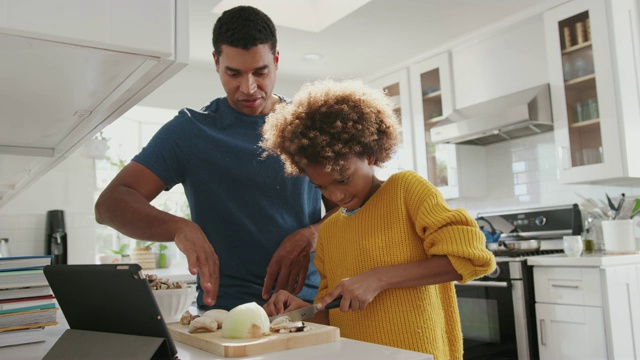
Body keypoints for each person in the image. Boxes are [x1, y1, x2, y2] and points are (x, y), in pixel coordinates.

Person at [94, 6, 337, 310]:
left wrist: (313, 233)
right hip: (224, 317)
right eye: (233, 73)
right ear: (216, 63)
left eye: (260, 72)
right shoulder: (191, 131)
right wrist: (180, 228)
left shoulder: (309, 127)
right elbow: (109, 205)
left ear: (276, 61)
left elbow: (348, 208)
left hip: (307, 309)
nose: (248, 88)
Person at [260, 79, 496, 359]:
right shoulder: (330, 231)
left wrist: (378, 279)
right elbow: (337, 318)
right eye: (321, 187)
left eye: (343, 179)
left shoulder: (406, 191)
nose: (336, 195)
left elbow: (471, 258)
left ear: (369, 154)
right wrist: (301, 311)